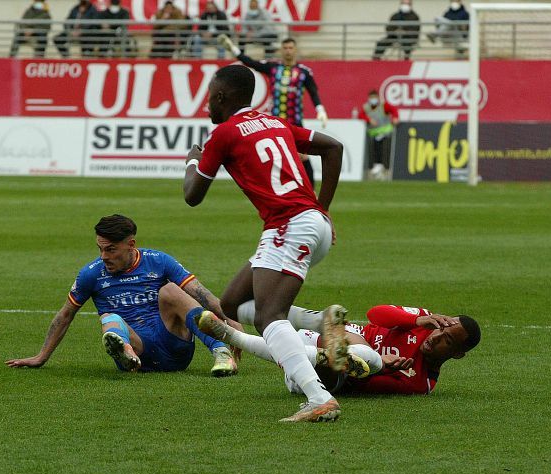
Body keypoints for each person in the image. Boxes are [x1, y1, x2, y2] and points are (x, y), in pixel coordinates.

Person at [183, 65, 347, 423]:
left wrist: (193, 160)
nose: (207, 104)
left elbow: (192, 195)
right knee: (231, 302)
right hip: (311, 224)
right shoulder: (275, 123)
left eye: (210, 97)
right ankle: (321, 324)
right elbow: (334, 147)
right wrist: (324, 208)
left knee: (268, 316)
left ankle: (318, 397)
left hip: (288, 226)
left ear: (222, 97)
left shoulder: (223, 134)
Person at [6, 214, 239, 376]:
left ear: (131, 245)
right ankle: (125, 353)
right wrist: (41, 357)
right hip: (138, 352)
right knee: (109, 317)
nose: (104, 256)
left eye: (110, 249)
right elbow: (65, 315)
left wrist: (231, 323)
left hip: (173, 345)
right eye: (100, 249)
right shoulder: (91, 274)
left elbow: (201, 293)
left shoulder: (158, 261)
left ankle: (221, 352)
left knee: (171, 290)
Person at [198, 302, 481, 396]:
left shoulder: (420, 382)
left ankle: (234, 334)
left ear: (457, 354)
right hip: (338, 335)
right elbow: (376, 314)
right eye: (441, 328)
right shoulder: (424, 321)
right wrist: (416, 318)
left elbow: (362, 387)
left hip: (323, 377)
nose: (435, 336)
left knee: (367, 360)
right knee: (359, 348)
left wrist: (381, 366)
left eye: (447, 340)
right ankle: (239, 312)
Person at [218, 35, 329, 189]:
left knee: (302, 157)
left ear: (295, 50)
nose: (288, 51)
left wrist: (320, 109)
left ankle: (311, 191)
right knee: (276, 156)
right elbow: (252, 63)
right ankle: (278, 188)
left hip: (295, 122)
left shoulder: (304, 72)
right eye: (285, 48)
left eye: (291, 48)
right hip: (274, 123)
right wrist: (234, 50)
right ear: (281, 51)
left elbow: (313, 92)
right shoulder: (273, 68)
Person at [358, 89, 399, 179]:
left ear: (378, 98)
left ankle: (386, 170)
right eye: (371, 98)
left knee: (385, 152)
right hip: (373, 135)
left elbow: (394, 110)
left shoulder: (384, 106)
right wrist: (369, 120)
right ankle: (375, 170)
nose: (373, 100)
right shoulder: (366, 107)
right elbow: (360, 116)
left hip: (385, 133)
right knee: (374, 153)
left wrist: (395, 118)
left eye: (375, 98)